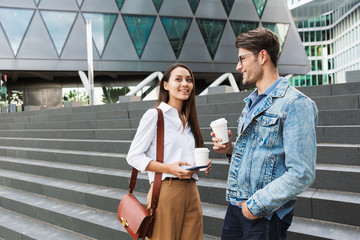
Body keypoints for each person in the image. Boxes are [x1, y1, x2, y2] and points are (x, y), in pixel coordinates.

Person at [211, 28, 318, 240]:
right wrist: (231, 149)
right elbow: (259, 154)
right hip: (236, 208)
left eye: (242, 58)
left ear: (262, 56)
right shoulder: (252, 101)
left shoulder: (296, 104)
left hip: (264, 215)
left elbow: (301, 173)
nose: (238, 66)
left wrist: (254, 206)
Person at [127, 63, 211, 240]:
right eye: (178, 79)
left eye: (189, 80)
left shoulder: (189, 120)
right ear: (166, 85)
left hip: (192, 191)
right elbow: (133, 156)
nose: (185, 84)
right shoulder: (155, 115)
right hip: (166, 191)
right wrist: (169, 169)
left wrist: (201, 165)